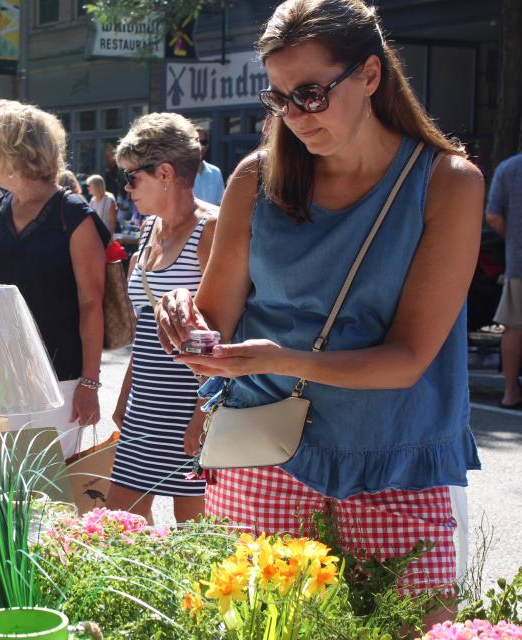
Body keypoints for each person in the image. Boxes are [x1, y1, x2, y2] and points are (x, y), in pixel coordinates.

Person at [155, 0, 481, 624]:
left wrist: (288, 359)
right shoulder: (256, 179)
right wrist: (185, 323)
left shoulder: (447, 182)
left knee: (411, 630)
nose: (295, 115)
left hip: (392, 457)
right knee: (258, 630)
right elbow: (212, 325)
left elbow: (409, 360)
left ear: (370, 75)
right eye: (278, 98)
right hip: (264, 448)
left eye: (310, 92)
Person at [0, 99, 109, 458]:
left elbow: (92, 304)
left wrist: (89, 383)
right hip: (3, 375)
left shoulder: (72, 215)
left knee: (52, 490)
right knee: (5, 489)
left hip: (60, 375)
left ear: (18, 150)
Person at [104, 113, 218, 523]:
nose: (127, 189)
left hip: (190, 404)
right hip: (145, 405)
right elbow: (147, 331)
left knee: (195, 537)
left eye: (132, 177)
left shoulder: (211, 229)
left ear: (165, 173)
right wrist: (123, 398)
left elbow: (227, 331)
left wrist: (203, 415)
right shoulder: (149, 227)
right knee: (121, 525)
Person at [485, 151, 522, 408]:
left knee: (513, 327)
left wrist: (512, 239)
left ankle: (510, 391)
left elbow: (493, 216)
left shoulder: (509, 168)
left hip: (518, 260)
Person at [191, 126, 224, 205]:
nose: (201, 146)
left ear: (208, 145)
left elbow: (221, 203)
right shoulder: (181, 172)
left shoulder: (215, 172)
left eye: (204, 142)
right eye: (197, 142)